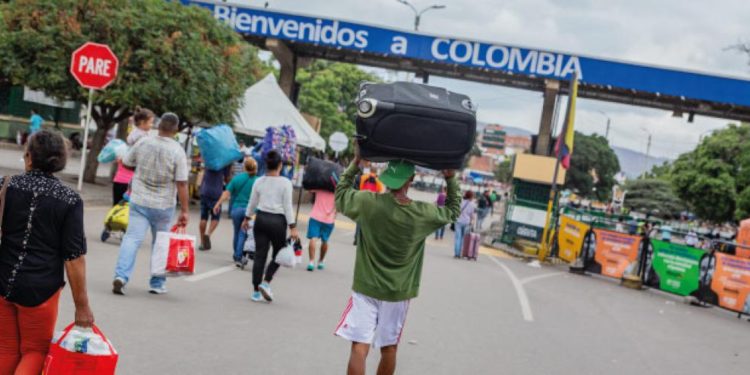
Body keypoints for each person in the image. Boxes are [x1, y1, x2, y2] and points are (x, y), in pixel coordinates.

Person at [334, 146, 460, 375]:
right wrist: (450, 178)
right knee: (389, 347)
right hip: (398, 293)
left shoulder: (367, 202)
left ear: (387, 178)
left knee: (359, 347)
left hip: (365, 287)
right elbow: (452, 211)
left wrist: (356, 162)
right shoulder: (422, 213)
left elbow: (341, 195)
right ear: (411, 179)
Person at [0, 130, 94, 374]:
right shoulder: (69, 199)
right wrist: (82, 306)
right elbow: (74, 258)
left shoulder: (6, 185)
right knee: (34, 352)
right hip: (40, 290)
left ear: (29, 157)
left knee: (6, 349)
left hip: (3, 279)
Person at [112, 113, 189, 295]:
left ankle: (121, 277)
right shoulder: (178, 151)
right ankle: (157, 283)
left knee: (132, 238)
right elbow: (182, 183)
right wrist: (185, 210)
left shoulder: (144, 142)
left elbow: (127, 162)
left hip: (139, 200)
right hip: (163, 205)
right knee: (160, 243)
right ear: (176, 129)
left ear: (159, 126)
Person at [242, 150, 298, 303]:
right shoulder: (285, 183)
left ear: (266, 165)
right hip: (278, 222)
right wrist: (293, 227)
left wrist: (246, 218)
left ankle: (255, 292)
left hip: (261, 219)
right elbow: (288, 207)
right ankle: (266, 282)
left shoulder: (259, 181)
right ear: (280, 165)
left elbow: (252, 203)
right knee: (279, 254)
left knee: (260, 255)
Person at [214, 157, 258, 266]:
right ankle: (239, 256)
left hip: (236, 209)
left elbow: (226, 193)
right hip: (250, 211)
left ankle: (236, 255)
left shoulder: (237, 178)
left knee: (237, 232)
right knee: (244, 233)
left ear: (244, 166)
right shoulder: (258, 180)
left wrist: (218, 203)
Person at [112, 108, 154, 205]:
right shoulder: (142, 138)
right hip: (131, 182)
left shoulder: (135, 134)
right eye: (151, 123)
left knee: (117, 210)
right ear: (143, 122)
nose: (152, 125)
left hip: (120, 180)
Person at [198, 165, 231, 251]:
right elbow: (227, 179)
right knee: (215, 216)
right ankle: (208, 234)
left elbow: (203, 170)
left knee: (203, 217)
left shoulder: (209, 158)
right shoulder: (224, 162)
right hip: (217, 193)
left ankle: (202, 243)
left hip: (205, 191)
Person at [307, 190, 337, 271]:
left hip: (315, 217)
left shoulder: (319, 187)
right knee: (325, 240)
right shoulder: (336, 191)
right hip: (329, 219)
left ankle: (311, 262)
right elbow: (339, 206)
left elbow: (309, 190)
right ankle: (320, 261)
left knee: (313, 238)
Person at [453, 191, 477, 258]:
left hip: (458, 221)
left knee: (458, 238)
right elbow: (472, 215)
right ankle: (462, 253)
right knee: (464, 238)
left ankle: (456, 254)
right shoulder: (473, 204)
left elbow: (456, 210)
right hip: (466, 222)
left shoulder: (460, 202)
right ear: (471, 196)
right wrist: (472, 222)